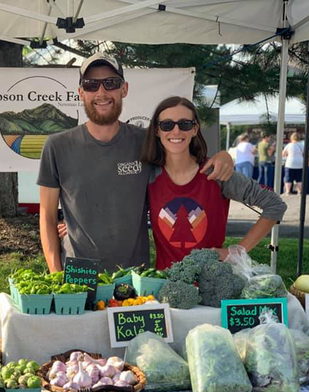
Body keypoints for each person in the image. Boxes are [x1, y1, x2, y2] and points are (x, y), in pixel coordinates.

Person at [37, 53, 234, 273]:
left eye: (110, 83)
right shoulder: (57, 146)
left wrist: (224, 156)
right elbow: (47, 216)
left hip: (135, 276)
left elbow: (186, 161)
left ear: (124, 89)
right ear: (81, 93)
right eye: (91, 85)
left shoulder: (147, 142)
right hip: (79, 274)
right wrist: (55, 273)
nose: (101, 92)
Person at [142, 96, 286, 269]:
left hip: (213, 283)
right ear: (157, 130)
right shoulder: (147, 176)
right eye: (167, 124)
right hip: (164, 285)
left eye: (185, 124)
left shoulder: (216, 172)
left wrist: (237, 252)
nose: (176, 131)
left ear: (195, 129)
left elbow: (275, 204)